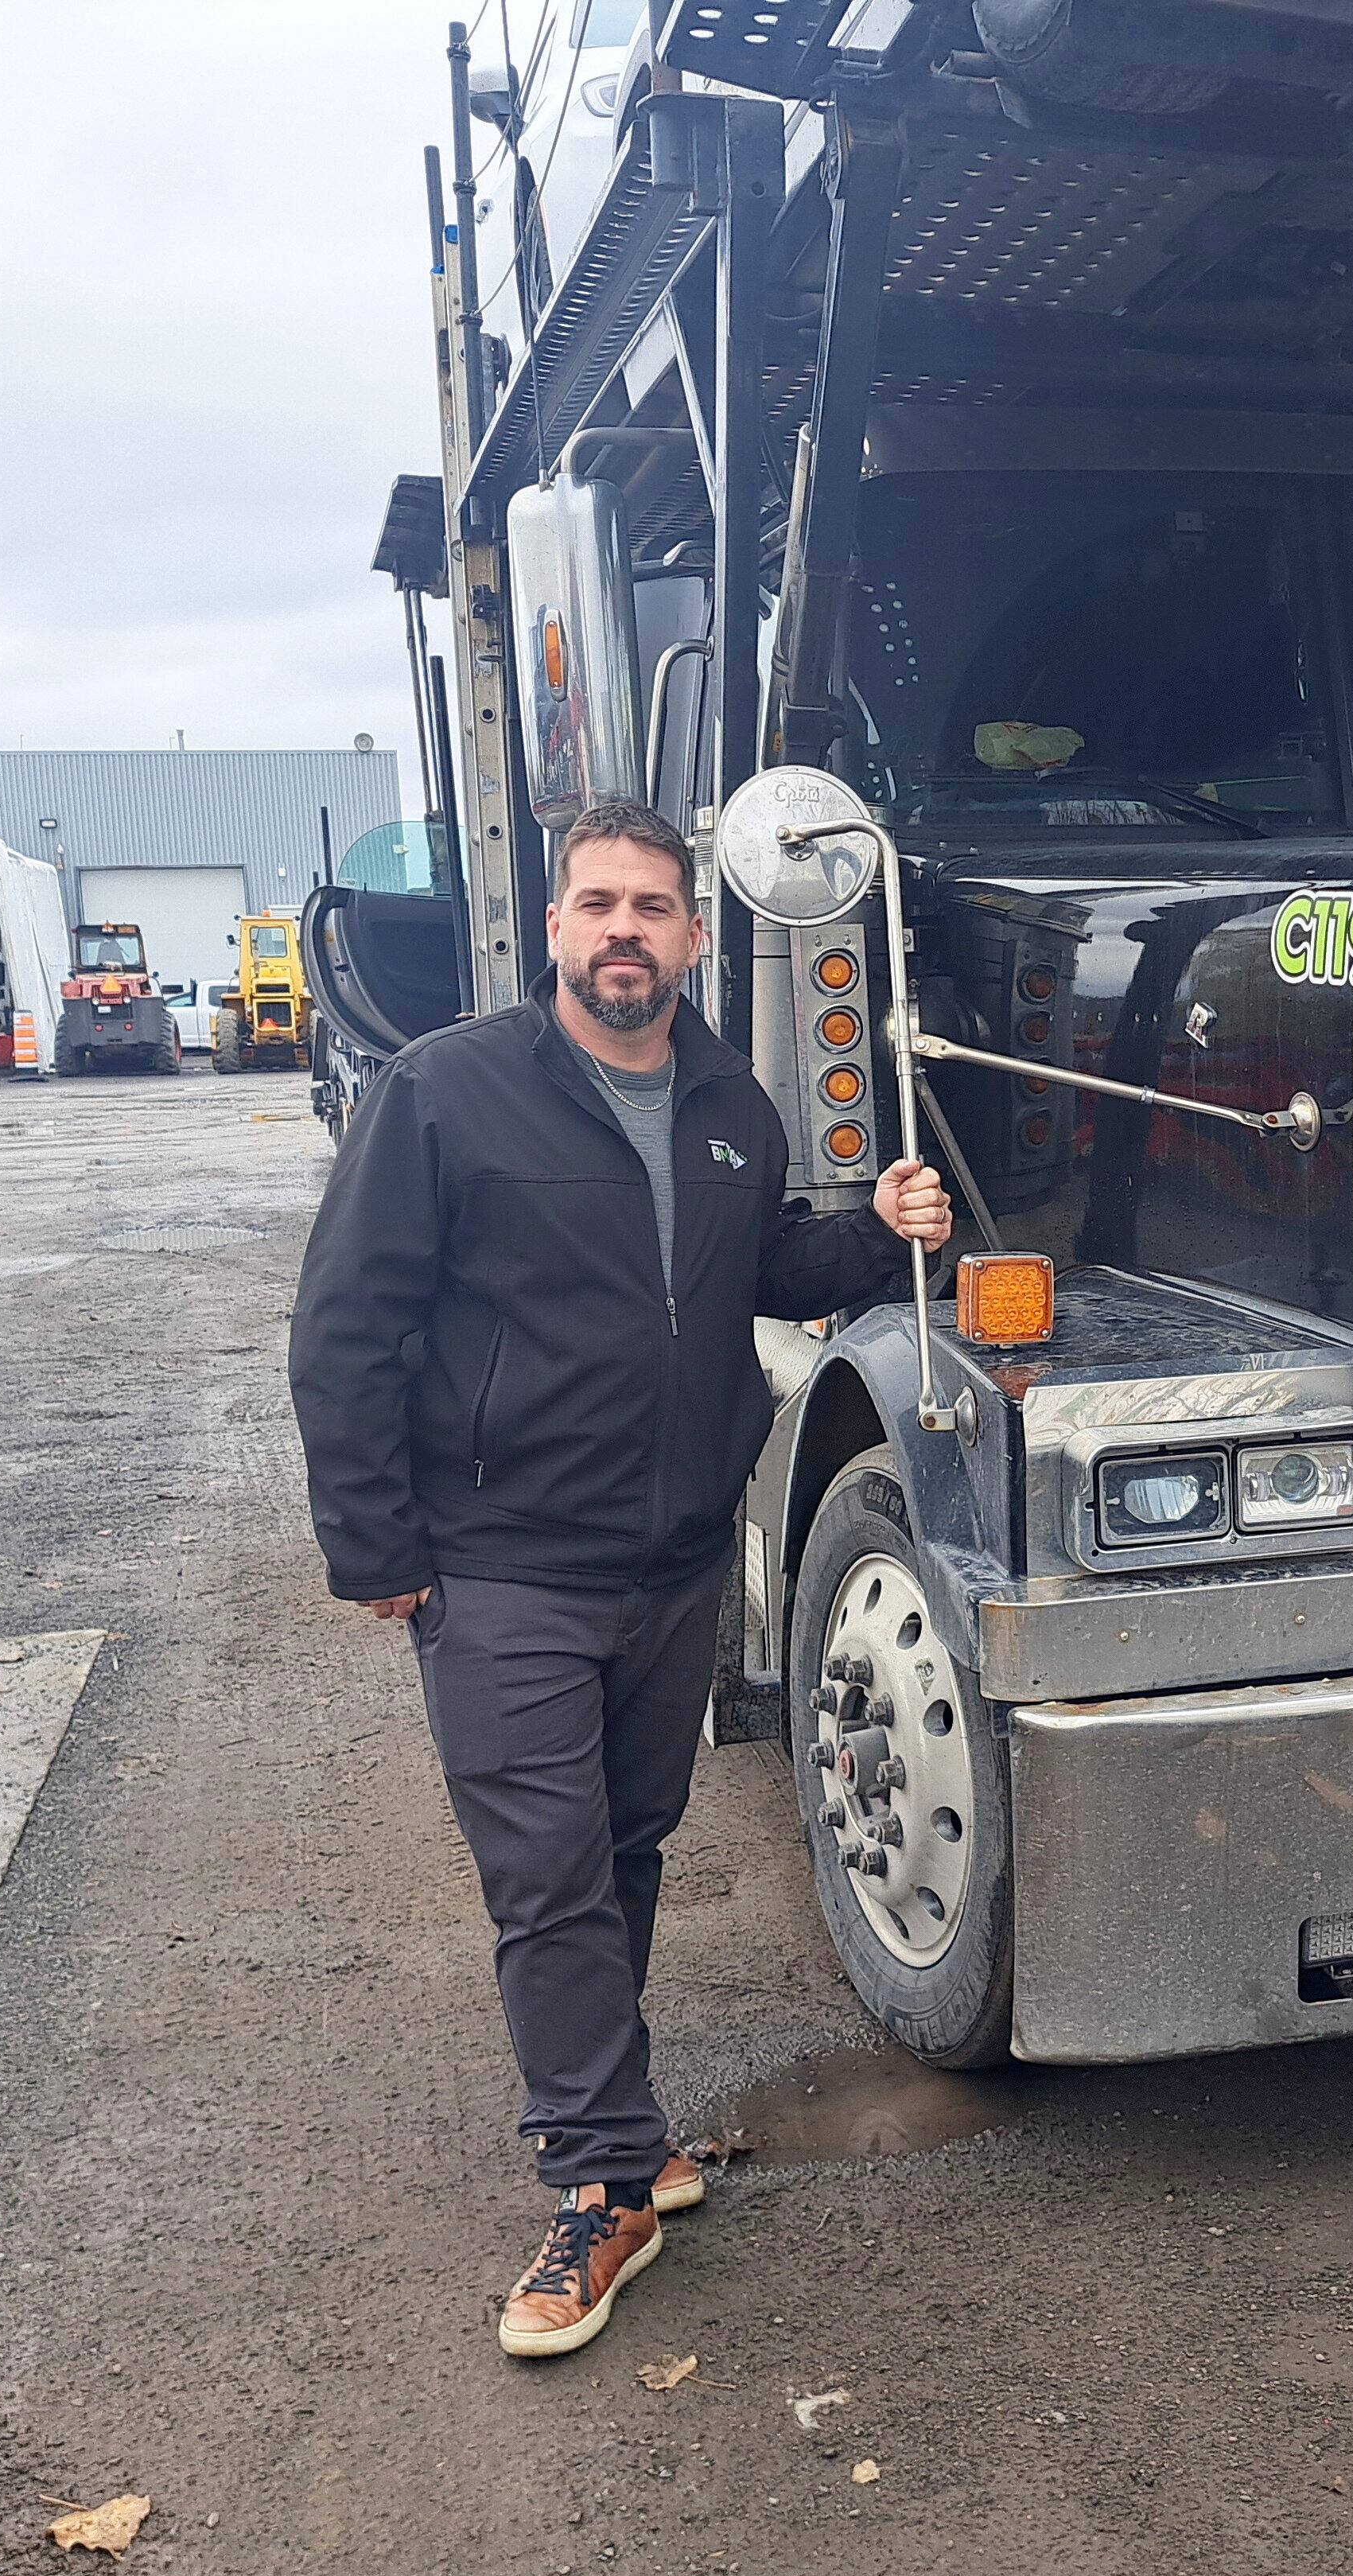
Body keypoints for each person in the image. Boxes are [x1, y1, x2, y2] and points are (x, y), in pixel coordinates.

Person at [289, 797, 952, 2362]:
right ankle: (600, 2187)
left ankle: (628, 2131)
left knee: (628, 1845)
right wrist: (375, 1548)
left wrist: (876, 1233)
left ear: (689, 937)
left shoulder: (728, 1103)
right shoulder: (444, 1094)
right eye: (598, 904)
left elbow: (749, 1272)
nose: (624, 933)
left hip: (665, 1564)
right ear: (556, 925)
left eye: (653, 908)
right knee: (547, 1876)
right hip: (498, 1560)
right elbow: (345, 1329)